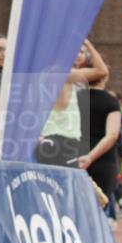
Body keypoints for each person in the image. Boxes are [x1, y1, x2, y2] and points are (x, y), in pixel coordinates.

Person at [36, 38, 108, 167]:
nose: (80, 54)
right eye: (76, 51)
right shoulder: (64, 73)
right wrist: (89, 44)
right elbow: (102, 71)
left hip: (52, 139)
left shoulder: (49, 72)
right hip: (62, 140)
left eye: (82, 51)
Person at [77, 72, 122, 213]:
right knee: (98, 210)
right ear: (105, 78)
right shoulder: (111, 102)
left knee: (74, 207)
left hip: (75, 157)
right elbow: (112, 135)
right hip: (102, 159)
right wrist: (90, 157)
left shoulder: (74, 99)